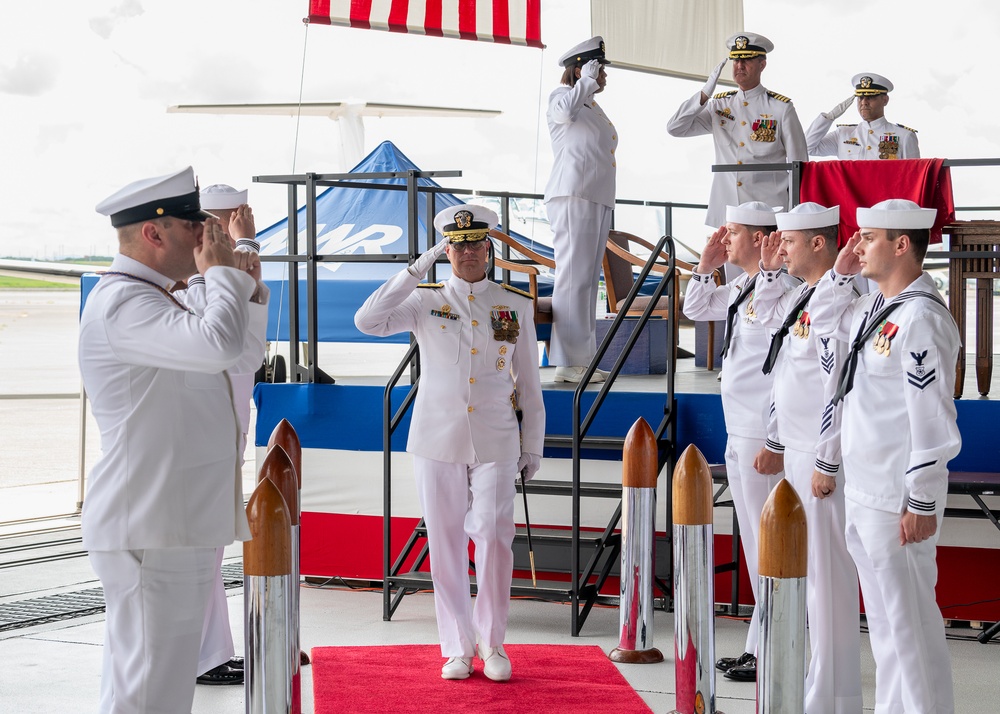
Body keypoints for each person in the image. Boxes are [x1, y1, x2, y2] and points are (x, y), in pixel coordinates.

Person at [82, 166, 269, 712]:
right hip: (151, 524)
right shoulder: (125, 305)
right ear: (154, 233)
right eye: (196, 227)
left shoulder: (157, 299)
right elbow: (215, 346)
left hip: (168, 520)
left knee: (151, 683)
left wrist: (246, 289)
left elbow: (239, 357)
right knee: (149, 691)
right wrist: (220, 278)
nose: (207, 238)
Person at [354, 205, 545, 682]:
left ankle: (494, 642)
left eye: (475, 243)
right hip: (437, 437)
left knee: (496, 539)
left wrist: (533, 446)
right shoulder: (424, 300)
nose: (467, 253)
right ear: (447, 251)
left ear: (489, 248)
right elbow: (367, 321)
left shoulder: (514, 304)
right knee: (444, 542)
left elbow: (531, 384)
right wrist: (416, 268)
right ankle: (457, 646)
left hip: (498, 437)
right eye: (457, 246)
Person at [809, 199, 959, 713]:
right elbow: (821, 322)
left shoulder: (920, 319)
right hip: (864, 489)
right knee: (889, 634)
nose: (856, 244)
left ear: (901, 245)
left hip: (896, 498)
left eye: (868, 237)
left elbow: (931, 417)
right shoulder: (874, 307)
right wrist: (840, 272)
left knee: (912, 632)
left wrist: (920, 499)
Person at [750, 203, 863, 712]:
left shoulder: (841, 303)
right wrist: (770, 271)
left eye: (789, 242)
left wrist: (826, 461)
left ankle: (834, 695)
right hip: (795, 452)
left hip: (818, 460)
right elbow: (773, 348)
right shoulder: (806, 296)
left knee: (827, 581)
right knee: (809, 577)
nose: (780, 248)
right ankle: (818, 682)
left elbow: (835, 388)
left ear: (820, 243)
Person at [681, 201, 798, 682]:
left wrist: (774, 437)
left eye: (733, 233)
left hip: (761, 433)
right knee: (754, 540)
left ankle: (776, 643)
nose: (724, 240)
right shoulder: (743, 286)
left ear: (761, 238)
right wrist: (704, 267)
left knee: (768, 541)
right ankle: (760, 643)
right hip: (738, 427)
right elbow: (695, 307)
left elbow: (784, 373)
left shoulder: (781, 290)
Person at [187, 183, 265, 686]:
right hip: (197, 438)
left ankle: (213, 652)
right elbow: (238, 353)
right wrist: (245, 257)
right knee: (199, 552)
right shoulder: (192, 289)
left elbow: (250, 350)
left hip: (223, 435)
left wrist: (246, 262)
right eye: (221, 224)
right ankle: (203, 657)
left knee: (210, 549)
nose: (228, 234)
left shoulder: (227, 283)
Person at [667, 33, 807, 228]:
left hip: (769, 210)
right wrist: (704, 94)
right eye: (736, 60)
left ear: (762, 64)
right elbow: (675, 128)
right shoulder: (719, 105)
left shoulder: (781, 108)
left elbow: (799, 165)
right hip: (728, 210)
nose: (739, 65)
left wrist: (794, 213)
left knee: (771, 260)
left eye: (747, 59)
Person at [543, 35, 617, 383]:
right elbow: (564, 113)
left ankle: (582, 359)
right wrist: (585, 81)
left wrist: (586, 86)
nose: (604, 77)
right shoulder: (563, 97)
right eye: (599, 69)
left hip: (596, 196)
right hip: (572, 195)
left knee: (587, 280)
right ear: (580, 69)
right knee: (572, 277)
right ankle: (564, 361)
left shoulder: (591, 106)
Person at [805, 73, 919, 160]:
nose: (864, 102)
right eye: (860, 97)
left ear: (885, 100)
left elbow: (913, 175)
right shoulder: (843, 133)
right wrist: (828, 118)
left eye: (870, 97)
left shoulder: (905, 136)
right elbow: (807, 147)